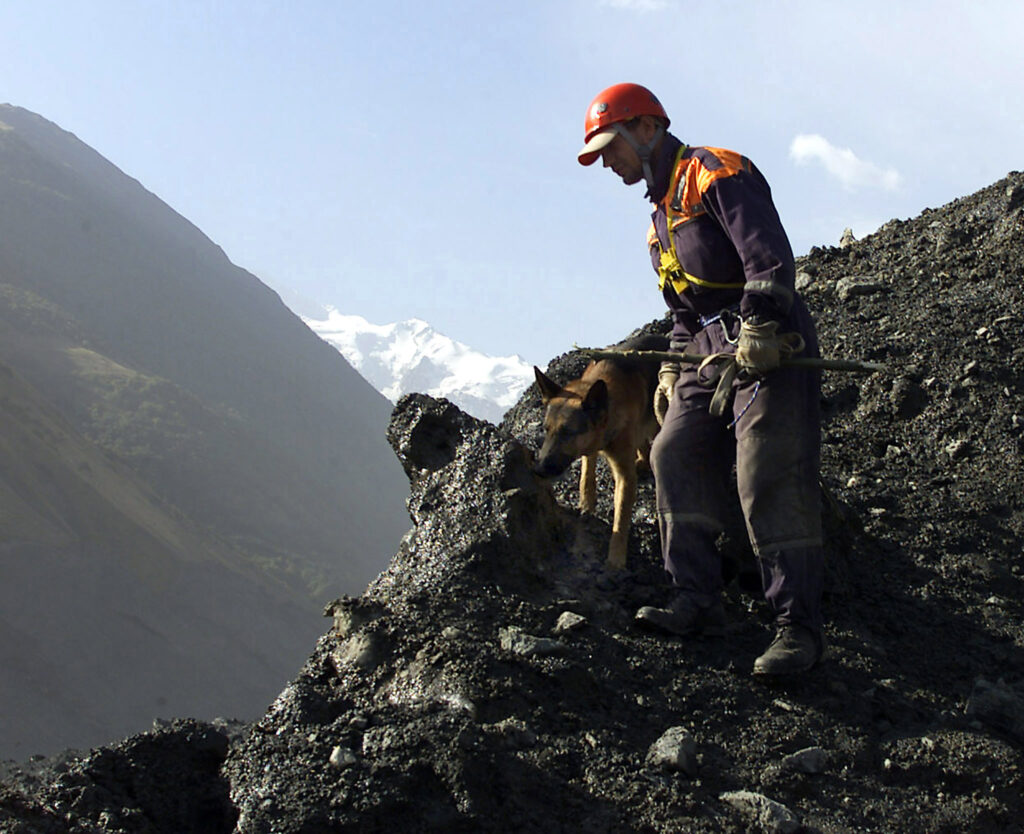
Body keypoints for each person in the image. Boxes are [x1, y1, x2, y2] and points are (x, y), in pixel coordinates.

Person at [577, 82, 825, 676]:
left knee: (764, 468)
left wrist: (760, 324)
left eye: (610, 148)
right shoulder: (659, 221)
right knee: (671, 452)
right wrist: (671, 367)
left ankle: (798, 628)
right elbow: (684, 314)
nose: (608, 164)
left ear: (646, 129)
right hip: (706, 353)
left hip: (768, 341)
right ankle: (695, 598)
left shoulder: (716, 172)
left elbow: (768, 256)